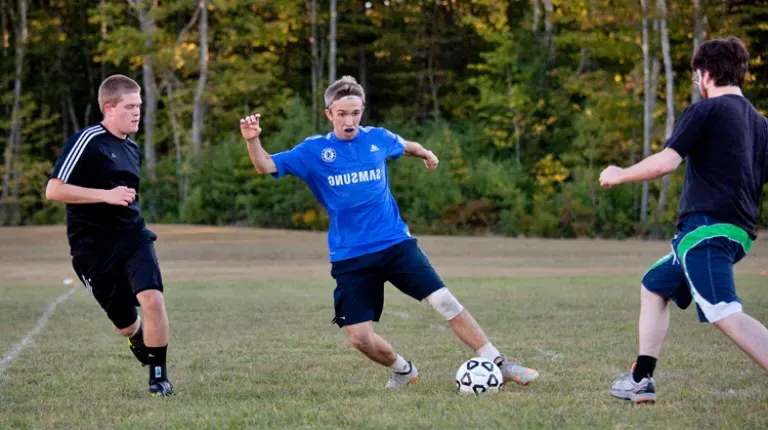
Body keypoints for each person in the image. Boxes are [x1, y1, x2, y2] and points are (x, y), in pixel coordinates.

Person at [240, 76, 540, 389]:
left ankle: (499, 363)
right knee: (360, 338)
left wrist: (425, 152)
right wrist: (252, 140)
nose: (349, 120)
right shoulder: (313, 152)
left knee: (445, 301)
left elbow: (403, 146)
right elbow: (265, 166)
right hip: (350, 255)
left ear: (362, 111)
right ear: (329, 114)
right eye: (342, 113)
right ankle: (402, 369)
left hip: (396, 244)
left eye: (355, 112)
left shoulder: (377, 138)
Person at [599, 36, 768, 404]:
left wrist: (619, 173)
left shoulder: (704, 111)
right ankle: (641, 379)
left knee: (724, 311)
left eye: (696, 78)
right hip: (735, 234)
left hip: (705, 232)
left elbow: (666, 162)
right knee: (654, 285)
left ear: (705, 74)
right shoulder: (760, 124)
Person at [45, 74, 174, 397]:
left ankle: (158, 378)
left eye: (139, 106)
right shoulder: (87, 140)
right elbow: (53, 190)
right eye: (130, 107)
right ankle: (135, 335)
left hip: (132, 237)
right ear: (109, 108)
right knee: (126, 325)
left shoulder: (131, 149)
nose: (137, 113)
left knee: (153, 301)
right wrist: (105, 195)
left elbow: (127, 196)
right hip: (92, 248)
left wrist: (119, 201)